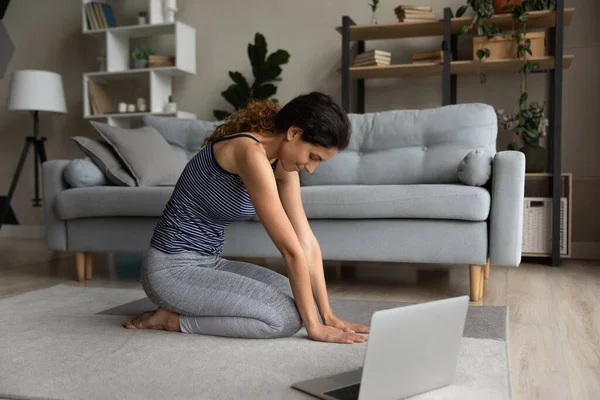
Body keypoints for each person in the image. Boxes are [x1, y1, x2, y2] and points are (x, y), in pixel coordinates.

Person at [123, 91, 369, 344]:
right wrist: (314, 328)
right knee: (283, 319)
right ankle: (172, 320)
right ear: (294, 133)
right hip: (170, 270)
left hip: (209, 263)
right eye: (312, 157)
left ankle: (182, 310)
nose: (311, 168)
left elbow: (306, 242)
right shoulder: (249, 152)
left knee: (299, 300)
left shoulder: (281, 165)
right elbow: (290, 250)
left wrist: (327, 316)